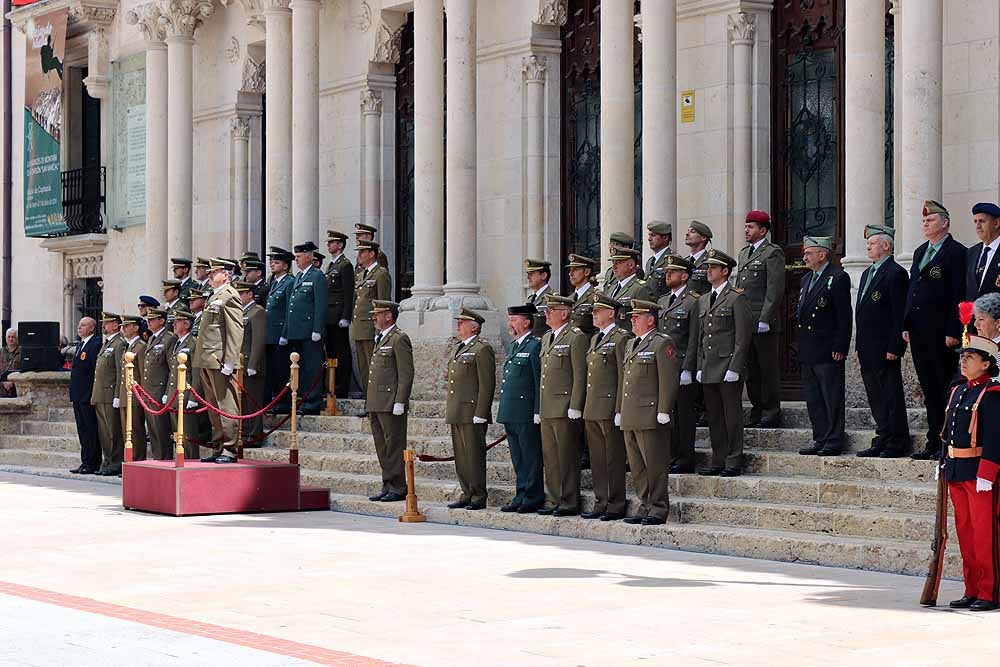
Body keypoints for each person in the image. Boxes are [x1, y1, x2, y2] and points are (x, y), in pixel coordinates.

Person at [939, 335, 1000, 611]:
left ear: (986, 363)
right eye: (962, 357)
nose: (963, 361)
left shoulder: (992, 393)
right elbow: (947, 433)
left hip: (979, 473)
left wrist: (988, 472)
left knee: (984, 534)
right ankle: (972, 588)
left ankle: (990, 591)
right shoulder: (958, 391)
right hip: (957, 469)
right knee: (965, 533)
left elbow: (996, 436)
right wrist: (943, 464)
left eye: (970, 358)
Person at [905, 200, 967, 460]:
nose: (925, 224)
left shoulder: (956, 252)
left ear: (945, 223)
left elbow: (959, 293)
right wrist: (906, 324)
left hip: (942, 333)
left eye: (930, 220)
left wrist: (954, 329)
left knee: (944, 387)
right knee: (929, 389)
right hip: (919, 332)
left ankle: (946, 442)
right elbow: (913, 290)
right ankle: (933, 441)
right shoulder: (921, 251)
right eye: (924, 221)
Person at [617, 299, 679, 525]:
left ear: (651, 319)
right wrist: (620, 411)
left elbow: (669, 379)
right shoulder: (631, 344)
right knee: (638, 468)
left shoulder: (662, 343)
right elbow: (625, 382)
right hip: (631, 415)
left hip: (651, 416)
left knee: (655, 466)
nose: (632, 320)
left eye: (637, 316)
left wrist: (664, 409)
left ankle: (658, 508)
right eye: (632, 316)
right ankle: (645, 505)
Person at [854, 225, 911, 458]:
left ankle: (897, 440)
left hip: (885, 348)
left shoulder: (895, 273)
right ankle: (883, 435)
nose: (868, 246)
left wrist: (896, 347)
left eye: (873, 243)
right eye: (868, 243)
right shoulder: (868, 273)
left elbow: (900, 315)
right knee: (875, 396)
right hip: (867, 347)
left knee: (890, 394)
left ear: (886, 245)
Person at [696, 249, 753, 476]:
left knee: (731, 416)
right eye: (708, 267)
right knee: (715, 417)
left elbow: (742, 337)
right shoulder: (704, 299)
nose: (708, 271)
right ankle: (718, 459)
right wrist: (700, 365)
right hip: (709, 366)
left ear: (725, 271)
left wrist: (735, 367)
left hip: (727, 365)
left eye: (713, 267)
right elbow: (702, 336)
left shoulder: (736, 297)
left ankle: (733, 460)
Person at [796, 236, 853, 457]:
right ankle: (820, 437)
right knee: (814, 398)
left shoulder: (837, 277)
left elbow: (844, 316)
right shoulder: (806, 279)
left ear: (822, 254)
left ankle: (834, 439)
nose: (805, 257)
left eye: (809, 253)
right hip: (809, 348)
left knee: (831, 396)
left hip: (828, 348)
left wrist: (841, 345)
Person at [537, 294, 588, 516]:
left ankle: (569, 500)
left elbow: (579, 374)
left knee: (566, 457)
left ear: (564, 313)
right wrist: (539, 408)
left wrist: (575, 405)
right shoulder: (547, 337)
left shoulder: (575, 337)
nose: (546, 314)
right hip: (548, 407)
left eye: (551, 310)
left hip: (565, 406)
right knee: (551, 457)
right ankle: (554, 498)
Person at [582, 293, 630, 521]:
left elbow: (623, 376)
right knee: (598, 459)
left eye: (597, 311)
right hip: (592, 407)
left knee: (613, 457)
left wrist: (620, 408)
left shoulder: (620, 338)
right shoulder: (594, 339)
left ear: (611, 313)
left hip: (610, 407)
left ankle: (616, 502)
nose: (593, 314)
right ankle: (601, 500)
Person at [736, 210, 786, 428]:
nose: (746, 230)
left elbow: (774, 289)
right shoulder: (744, 253)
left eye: (751, 227)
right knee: (751, 369)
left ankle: (771, 410)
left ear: (763, 230)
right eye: (746, 226)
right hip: (746, 321)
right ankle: (757, 409)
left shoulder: (772, 253)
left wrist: (765, 317)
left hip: (763, 322)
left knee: (767, 368)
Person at [445, 308, 496, 510]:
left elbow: (487, 384)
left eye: (462, 322)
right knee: (461, 456)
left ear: (474, 327)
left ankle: (478, 494)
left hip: (472, 411)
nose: (458, 325)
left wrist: (481, 413)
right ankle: (466, 491)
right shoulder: (458, 347)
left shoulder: (482, 349)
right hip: (457, 409)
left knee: (474, 456)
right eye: (458, 322)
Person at [194, 258, 245, 464]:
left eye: (213, 273)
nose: (209, 276)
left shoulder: (230, 296)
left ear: (225, 275)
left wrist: (231, 360)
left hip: (220, 359)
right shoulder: (214, 296)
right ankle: (218, 445)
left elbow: (235, 330)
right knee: (213, 405)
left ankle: (230, 449)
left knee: (226, 404)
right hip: (207, 358)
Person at [497, 304, 544, 514]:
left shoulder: (534, 346)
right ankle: (521, 493)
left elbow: (537, 380)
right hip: (512, 411)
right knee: (518, 457)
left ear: (526, 322)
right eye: (510, 319)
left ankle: (533, 496)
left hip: (526, 412)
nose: (510, 323)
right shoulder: (514, 346)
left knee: (530, 456)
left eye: (514, 320)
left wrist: (537, 410)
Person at [656, 256, 701, 474]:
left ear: (684, 276)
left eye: (672, 272)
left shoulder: (693, 301)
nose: (667, 275)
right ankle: (671, 454)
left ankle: (686, 456)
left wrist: (688, 368)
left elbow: (694, 338)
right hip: (665, 366)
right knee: (669, 413)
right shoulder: (663, 301)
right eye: (667, 272)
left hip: (682, 365)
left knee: (684, 415)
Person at [366, 300, 414, 502]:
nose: (374, 317)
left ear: (389, 316)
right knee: (382, 446)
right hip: (377, 402)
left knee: (393, 446)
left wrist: (400, 401)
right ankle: (387, 483)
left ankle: (398, 486)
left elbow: (406, 373)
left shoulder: (399, 338)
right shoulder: (381, 338)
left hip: (391, 402)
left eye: (378, 314)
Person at [281, 242, 327, 414]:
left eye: (299, 257)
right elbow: (291, 307)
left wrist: (317, 329)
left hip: (310, 331)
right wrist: (287, 331)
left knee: (312, 367)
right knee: (301, 367)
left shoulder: (317, 276)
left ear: (309, 256)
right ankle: (304, 398)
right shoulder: (299, 277)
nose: (296, 260)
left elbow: (320, 305)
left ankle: (313, 402)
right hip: (297, 330)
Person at [351, 240, 392, 398]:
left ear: (372, 254)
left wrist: (380, 329)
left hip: (371, 327)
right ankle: (369, 400)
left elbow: (383, 303)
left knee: (373, 366)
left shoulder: (380, 274)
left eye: (362, 252)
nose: (359, 255)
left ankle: (376, 400)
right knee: (363, 367)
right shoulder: (362, 274)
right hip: (360, 328)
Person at [91, 313, 126, 476]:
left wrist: (118, 394)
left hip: (110, 393)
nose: (103, 326)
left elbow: (120, 372)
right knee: (104, 432)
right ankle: (107, 461)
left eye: (107, 323)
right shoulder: (107, 343)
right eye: (103, 323)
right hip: (100, 394)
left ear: (115, 325)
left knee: (113, 432)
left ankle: (116, 462)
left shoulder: (119, 344)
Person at [140, 308, 177, 460]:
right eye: (148, 320)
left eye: (152, 319)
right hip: (149, 390)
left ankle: (164, 459)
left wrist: (168, 392)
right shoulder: (151, 338)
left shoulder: (169, 338)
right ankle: (158, 458)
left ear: (161, 321)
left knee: (161, 429)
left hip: (160, 390)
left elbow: (171, 368)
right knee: (153, 430)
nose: (148, 322)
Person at [324, 230, 355, 398]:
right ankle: (332, 385)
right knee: (332, 353)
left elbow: (348, 293)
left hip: (338, 316)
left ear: (340, 245)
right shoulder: (331, 265)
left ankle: (342, 387)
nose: (328, 245)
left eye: (332, 242)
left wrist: (346, 316)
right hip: (329, 317)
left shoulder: (345, 265)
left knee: (341, 352)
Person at [236, 282, 267, 446]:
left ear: (249, 294)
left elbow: (258, 340)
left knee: (253, 401)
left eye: (241, 294)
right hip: (240, 365)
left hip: (251, 364)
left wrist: (253, 364)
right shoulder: (242, 312)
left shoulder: (257, 312)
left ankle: (254, 434)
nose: (238, 297)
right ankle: (246, 432)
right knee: (244, 402)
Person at [165, 309, 199, 459]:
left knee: (188, 433)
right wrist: (167, 393)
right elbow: (172, 371)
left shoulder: (193, 343)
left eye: (177, 321)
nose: (173, 324)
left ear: (186, 324)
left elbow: (196, 372)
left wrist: (193, 397)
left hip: (185, 394)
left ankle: (190, 461)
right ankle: (181, 459)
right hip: (174, 394)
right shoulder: (177, 342)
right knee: (177, 433)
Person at [69, 317, 101, 474]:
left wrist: (91, 394)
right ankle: (85, 461)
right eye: (79, 325)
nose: (79, 327)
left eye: (83, 325)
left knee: (90, 430)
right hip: (78, 395)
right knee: (82, 430)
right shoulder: (81, 344)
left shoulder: (95, 344)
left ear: (92, 328)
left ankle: (92, 462)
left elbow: (94, 372)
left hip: (87, 395)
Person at [265, 247, 294, 411]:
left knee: (281, 369)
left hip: (280, 334)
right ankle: (274, 399)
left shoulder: (289, 282)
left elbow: (289, 310)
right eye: (272, 262)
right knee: (272, 370)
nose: (272, 265)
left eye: (276, 262)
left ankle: (283, 401)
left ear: (285, 265)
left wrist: (285, 333)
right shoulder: (273, 281)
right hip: (270, 333)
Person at [606, 248, 653, 333]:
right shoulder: (612, 288)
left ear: (631, 265)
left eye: (619, 263)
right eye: (613, 262)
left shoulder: (640, 288)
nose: (614, 267)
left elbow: (644, 323)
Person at [965, 202, 1000, 302]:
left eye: (982, 221)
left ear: (997, 223)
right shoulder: (971, 252)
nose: (977, 226)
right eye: (975, 221)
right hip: (975, 316)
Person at [566, 254, 598, 336]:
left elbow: (599, 328)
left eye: (575, 270)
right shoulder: (569, 299)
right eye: (570, 270)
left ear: (586, 272)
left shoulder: (596, 297)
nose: (570, 274)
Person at [644, 221, 673, 299]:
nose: (649, 239)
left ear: (665, 238)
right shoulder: (650, 261)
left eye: (653, 235)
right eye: (649, 235)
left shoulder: (672, 260)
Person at [524, 258, 553, 338]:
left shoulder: (552, 299)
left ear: (543, 275)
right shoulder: (530, 299)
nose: (528, 277)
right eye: (528, 274)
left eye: (531, 274)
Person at [683, 221, 713, 296]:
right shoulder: (684, 262)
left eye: (692, 231)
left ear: (703, 237)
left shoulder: (710, 262)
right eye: (688, 231)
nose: (687, 234)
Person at [0, 328, 20, 397]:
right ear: (5, 338)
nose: (11, 339)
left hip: (16, 389)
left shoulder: (21, 353)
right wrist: (3, 383)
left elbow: (24, 369)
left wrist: (13, 382)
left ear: (17, 338)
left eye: (13, 337)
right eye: (9, 337)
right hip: (1, 389)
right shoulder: (1, 352)